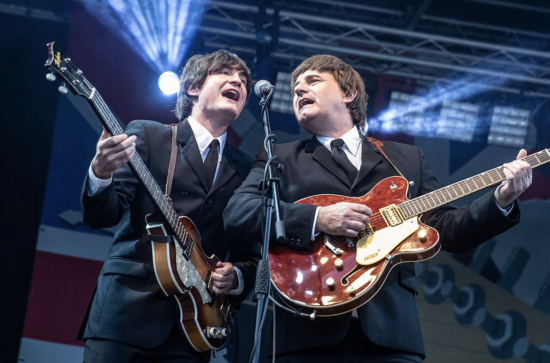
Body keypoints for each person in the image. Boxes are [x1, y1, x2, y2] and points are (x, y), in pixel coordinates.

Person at [223, 54, 532, 363]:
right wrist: (319, 217)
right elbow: (238, 213)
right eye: (295, 89)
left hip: (390, 333)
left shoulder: (406, 158)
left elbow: (447, 228)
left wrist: (501, 200)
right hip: (304, 327)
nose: (299, 90)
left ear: (348, 94)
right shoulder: (282, 156)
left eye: (313, 81)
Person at [79, 50, 260, 363]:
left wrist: (237, 277)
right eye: (226, 74)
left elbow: (250, 254)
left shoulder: (247, 169)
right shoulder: (150, 136)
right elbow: (102, 216)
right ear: (193, 88)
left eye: (243, 81)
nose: (238, 82)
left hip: (193, 327)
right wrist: (101, 172)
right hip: (126, 315)